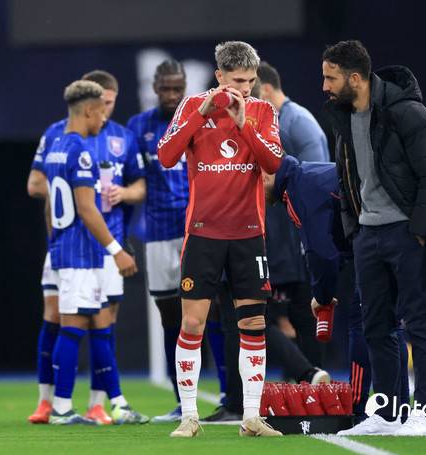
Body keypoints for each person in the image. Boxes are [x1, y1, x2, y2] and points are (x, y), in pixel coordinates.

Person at [322, 40, 426, 436]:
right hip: (368, 236)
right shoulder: (343, 118)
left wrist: (419, 233)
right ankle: (387, 412)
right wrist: (355, 231)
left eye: (330, 78)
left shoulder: (407, 112)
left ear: (355, 78)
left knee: (419, 323)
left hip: (407, 234)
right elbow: (346, 181)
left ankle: (422, 414)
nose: (324, 86)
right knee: (376, 327)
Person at [158, 41, 283, 438]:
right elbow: (166, 156)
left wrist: (244, 122)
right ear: (219, 77)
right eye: (237, 81)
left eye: (250, 81)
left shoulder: (263, 111)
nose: (245, 88)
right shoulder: (192, 106)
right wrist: (202, 114)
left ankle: (251, 417)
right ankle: (189, 417)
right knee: (193, 323)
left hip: (248, 235)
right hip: (203, 234)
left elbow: (273, 162)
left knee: (253, 322)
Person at [27, 70, 145, 425]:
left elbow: (50, 205)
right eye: (100, 112)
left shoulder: (58, 145)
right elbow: (87, 209)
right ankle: (62, 408)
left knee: (93, 322)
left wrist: (54, 240)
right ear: (90, 110)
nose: (103, 119)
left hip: (69, 249)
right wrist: (117, 250)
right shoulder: (80, 152)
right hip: (82, 252)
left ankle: (105, 402)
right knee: (73, 326)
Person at [262, 154, 410, 419]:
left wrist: (322, 296)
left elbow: (322, 254)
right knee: (389, 322)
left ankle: (359, 408)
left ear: (265, 175)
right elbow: (334, 242)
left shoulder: (298, 189)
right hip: (395, 232)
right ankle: (398, 407)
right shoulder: (305, 177)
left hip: (382, 238)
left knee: (362, 319)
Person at [128, 59, 227, 422]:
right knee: (171, 316)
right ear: (154, 89)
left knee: (211, 310)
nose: (171, 95)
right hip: (157, 234)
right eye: (165, 88)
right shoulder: (138, 127)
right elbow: (132, 181)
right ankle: (180, 400)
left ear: (185, 87)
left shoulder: (202, 118)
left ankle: (228, 394)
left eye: (177, 88)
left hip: (198, 229)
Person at [256, 61, 329, 369]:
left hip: (299, 235)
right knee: (286, 313)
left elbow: (318, 179)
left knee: (300, 312)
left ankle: (312, 379)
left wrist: (309, 236)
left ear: (266, 89)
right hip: (283, 235)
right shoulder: (277, 121)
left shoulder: (296, 122)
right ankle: (303, 379)